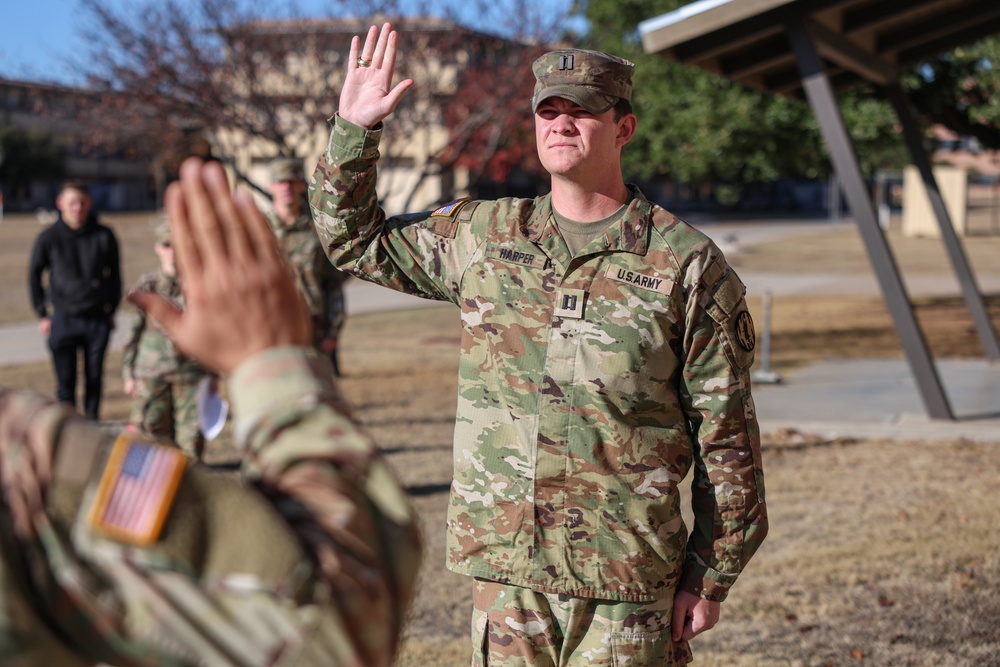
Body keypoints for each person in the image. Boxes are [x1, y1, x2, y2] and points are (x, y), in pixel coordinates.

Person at [309, 23, 768, 666]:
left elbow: (727, 438)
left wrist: (710, 575)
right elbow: (351, 240)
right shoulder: (487, 237)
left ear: (623, 128)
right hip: (508, 576)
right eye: (548, 111)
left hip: (626, 582)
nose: (561, 123)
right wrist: (355, 130)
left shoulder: (685, 265)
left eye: (581, 111)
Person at [0, 157, 421, 666]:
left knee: (185, 445)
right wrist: (271, 361)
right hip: (204, 366)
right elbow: (334, 622)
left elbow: (334, 288)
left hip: (200, 375)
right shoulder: (21, 460)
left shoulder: (308, 238)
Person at [28, 180, 122, 420]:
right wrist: (42, 313)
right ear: (60, 204)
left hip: (96, 319)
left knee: (94, 380)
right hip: (63, 319)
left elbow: (115, 275)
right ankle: (68, 434)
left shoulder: (104, 235)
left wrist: (112, 310)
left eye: (81, 202)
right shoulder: (49, 237)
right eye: (72, 202)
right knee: (65, 385)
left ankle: (92, 430)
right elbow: (34, 274)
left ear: (89, 203)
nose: (77, 207)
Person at [120, 219, 214, 460]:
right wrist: (128, 374)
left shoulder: (201, 286)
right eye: (167, 245)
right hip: (152, 375)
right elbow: (133, 332)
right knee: (148, 440)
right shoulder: (147, 286)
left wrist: (214, 374)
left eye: (178, 245)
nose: (172, 251)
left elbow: (213, 334)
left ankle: (189, 495)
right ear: (158, 249)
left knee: (191, 444)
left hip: (192, 375)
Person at [267, 157, 348, 376]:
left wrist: (332, 333)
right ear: (270, 186)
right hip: (272, 330)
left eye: (292, 181)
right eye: (280, 182)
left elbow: (333, 285)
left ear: (301, 185)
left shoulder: (319, 229)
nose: (286, 187)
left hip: (314, 329)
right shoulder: (258, 231)